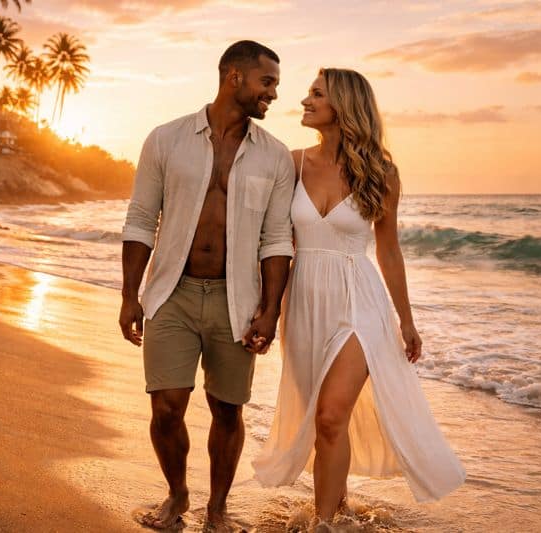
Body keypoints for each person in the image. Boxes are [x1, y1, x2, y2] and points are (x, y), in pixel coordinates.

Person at [252, 69, 466, 531]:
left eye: (316, 94)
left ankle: (323, 523)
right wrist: (267, 309)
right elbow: (276, 243)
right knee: (323, 419)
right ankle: (340, 506)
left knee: (331, 415)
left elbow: (389, 251)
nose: (304, 101)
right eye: (308, 93)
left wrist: (406, 321)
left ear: (343, 105)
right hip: (305, 302)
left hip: (360, 301)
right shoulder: (293, 163)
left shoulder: (381, 173)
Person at [119, 40, 295, 531]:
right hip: (171, 293)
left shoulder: (275, 158)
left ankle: (217, 510)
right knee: (167, 409)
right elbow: (140, 219)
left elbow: (277, 239)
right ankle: (177, 497)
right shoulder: (166, 139)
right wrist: (130, 295)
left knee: (228, 409)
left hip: (236, 299)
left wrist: (270, 310)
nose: (274, 95)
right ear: (234, 77)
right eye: (268, 82)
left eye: (276, 85)